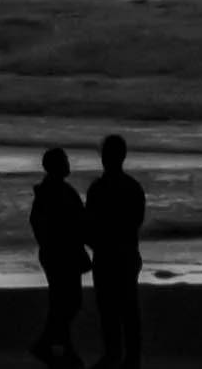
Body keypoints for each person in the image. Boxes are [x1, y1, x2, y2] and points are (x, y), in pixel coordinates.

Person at [85, 134, 146, 369]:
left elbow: (88, 225)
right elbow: (135, 222)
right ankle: (127, 358)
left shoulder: (99, 189)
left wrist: (98, 243)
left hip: (110, 255)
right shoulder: (131, 187)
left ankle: (116, 355)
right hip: (124, 254)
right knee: (125, 309)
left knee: (113, 310)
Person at [27, 146, 90, 367]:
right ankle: (48, 344)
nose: (68, 164)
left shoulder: (55, 190)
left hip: (59, 253)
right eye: (64, 160)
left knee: (64, 303)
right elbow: (47, 224)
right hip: (62, 254)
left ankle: (62, 347)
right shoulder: (56, 192)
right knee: (69, 302)